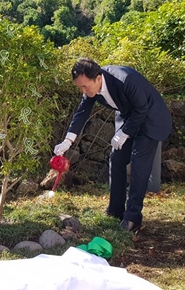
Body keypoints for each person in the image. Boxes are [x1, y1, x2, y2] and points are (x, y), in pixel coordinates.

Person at [53, 58, 172, 233]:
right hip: (131, 118)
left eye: (85, 86)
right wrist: (67, 141)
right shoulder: (90, 88)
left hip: (151, 119)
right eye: (80, 87)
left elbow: (142, 109)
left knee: (139, 165)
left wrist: (124, 133)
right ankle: (116, 211)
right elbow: (82, 112)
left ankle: (132, 218)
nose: (83, 91)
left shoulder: (125, 79)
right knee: (116, 159)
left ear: (98, 78)